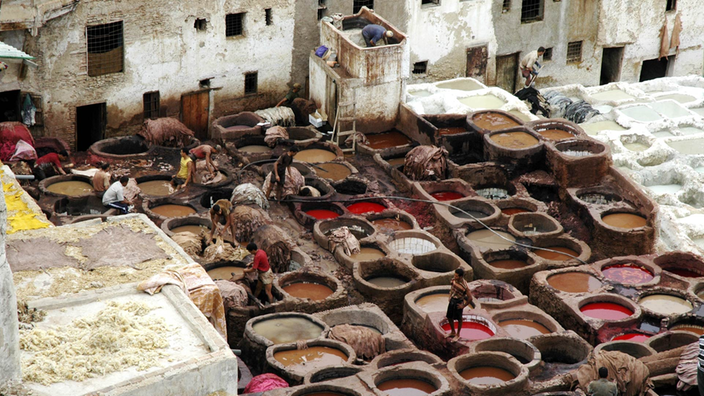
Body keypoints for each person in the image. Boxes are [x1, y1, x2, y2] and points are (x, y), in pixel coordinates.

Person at [446, 268, 472, 340]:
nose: (455, 277)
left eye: (457, 276)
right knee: (449, 316)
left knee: (459, 319)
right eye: (455, 275)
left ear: (461, 277)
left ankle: (458, 334)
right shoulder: (454, 280)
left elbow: (470, 298)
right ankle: (453, 331)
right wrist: (450, 296)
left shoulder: (465, 286)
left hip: (458, 302)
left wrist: (463, 306)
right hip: (452, 300)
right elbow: (452, 288)